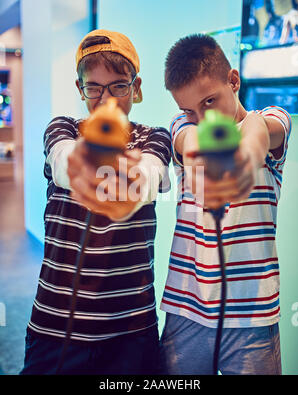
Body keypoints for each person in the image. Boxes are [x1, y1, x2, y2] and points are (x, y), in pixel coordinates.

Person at [20, 29, 171, 375]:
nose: (107, 100)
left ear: (136, 86)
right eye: (94, 88)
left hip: (132, 327)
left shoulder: (154, 137)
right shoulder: (62, 129)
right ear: (80, 88)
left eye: (119, 86)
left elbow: (147, 181)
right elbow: (66, 164)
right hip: (57, 325)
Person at [159, 33, 291, 375]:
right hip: (186, 308)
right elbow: (188, 142)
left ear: (234, 80)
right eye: (189, 109)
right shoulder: (182, 126)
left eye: (209, 102)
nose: (202, 119)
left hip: (253, 316)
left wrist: (242, 160)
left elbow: (259, 133)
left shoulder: (268, 118)